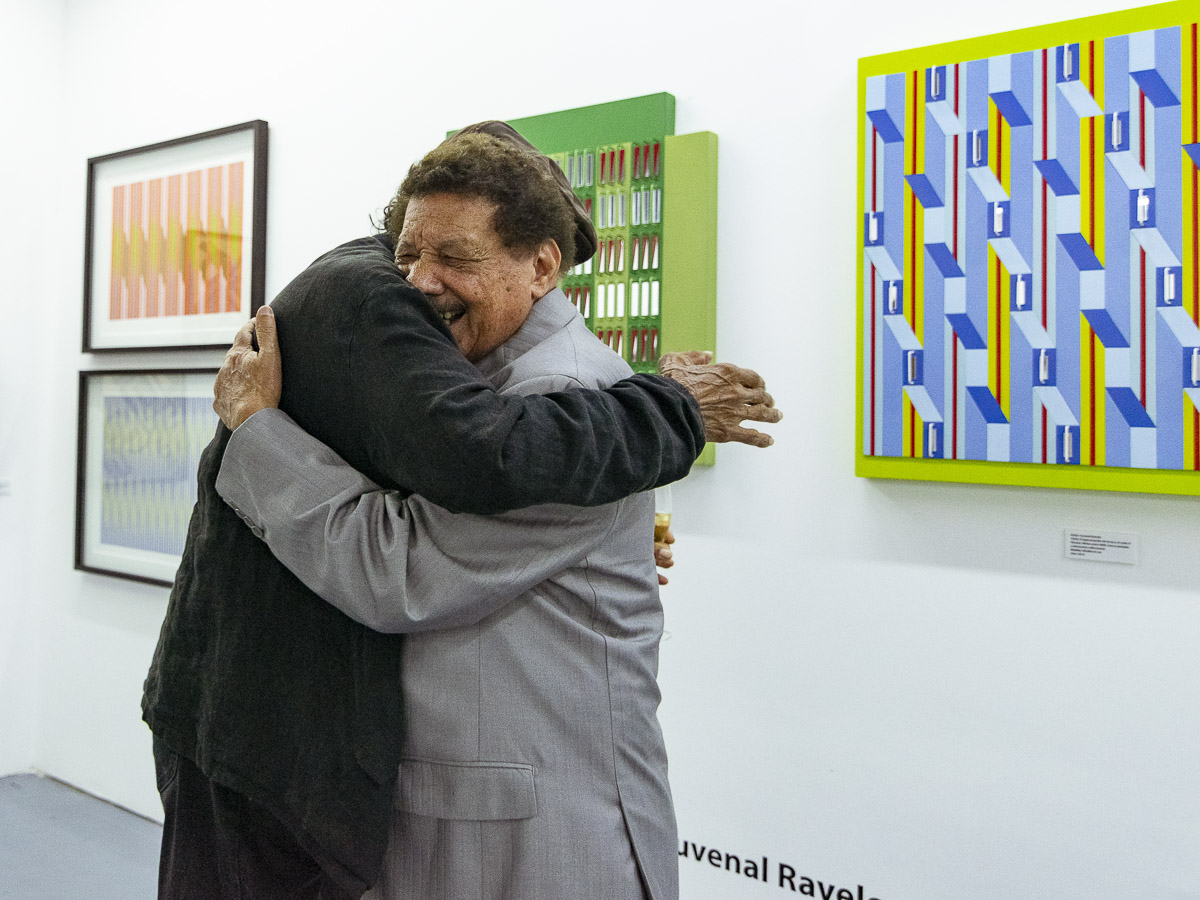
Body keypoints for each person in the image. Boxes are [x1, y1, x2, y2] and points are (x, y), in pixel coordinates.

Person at [142, 121, 781, 900]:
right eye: (409, 254)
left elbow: (398, 571)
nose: (419, 281)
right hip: (476, 815)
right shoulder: (465, 375)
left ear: (542, 265)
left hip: (531, 833)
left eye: (455, 256)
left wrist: (256, 430)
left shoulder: (556, 389)